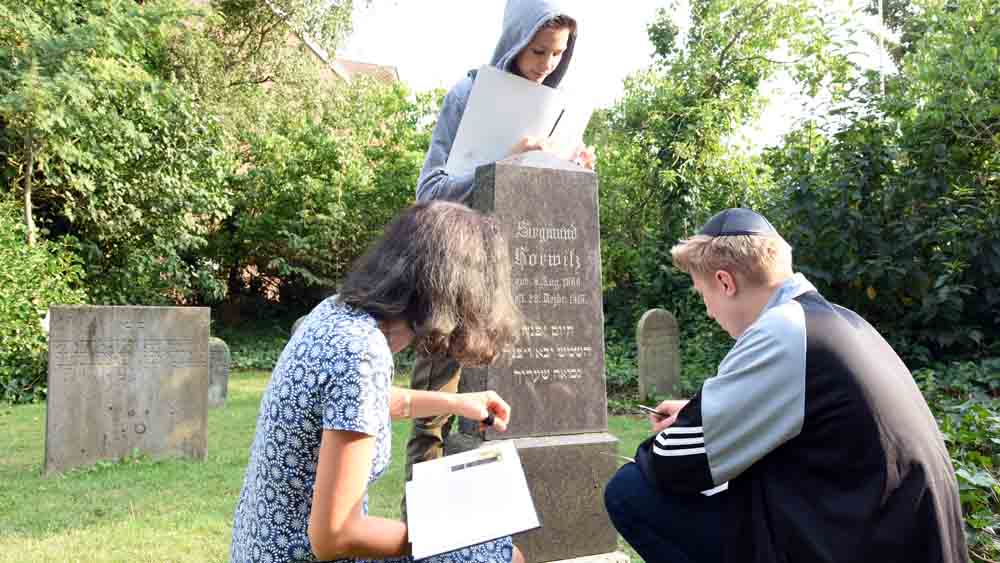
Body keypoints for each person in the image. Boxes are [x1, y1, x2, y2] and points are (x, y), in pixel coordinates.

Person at [604, 208, 969, 563]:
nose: (709, 312)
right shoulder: (838, 321)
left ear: (724, 282)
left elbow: (671, 463)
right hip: (892, 537)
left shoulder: (783, 330)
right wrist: (695, 415)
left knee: (629, 490)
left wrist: (691, 429)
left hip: (859, 544)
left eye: (703, 296)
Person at [230, 201, 525, 563]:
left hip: (258, 549)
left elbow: (361, 404)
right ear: (455, 292)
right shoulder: (361, 351)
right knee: (505, 555)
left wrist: (459, 403)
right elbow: (335, 535)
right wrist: (447, 530)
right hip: (301, 554)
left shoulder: (337, 313)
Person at [405, 0, 592, 507]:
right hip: (453, 277)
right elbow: (430, 191)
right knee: (435, 421)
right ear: (514, 40)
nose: (547, 64)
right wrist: (501, 163)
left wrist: (570, 170)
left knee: (503, 423)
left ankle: (478, 540)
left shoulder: (556, 111)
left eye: (558, 53)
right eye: (538, 50)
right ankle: (419, 545)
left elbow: (539, 212)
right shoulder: (468, 93)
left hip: (512, 285)